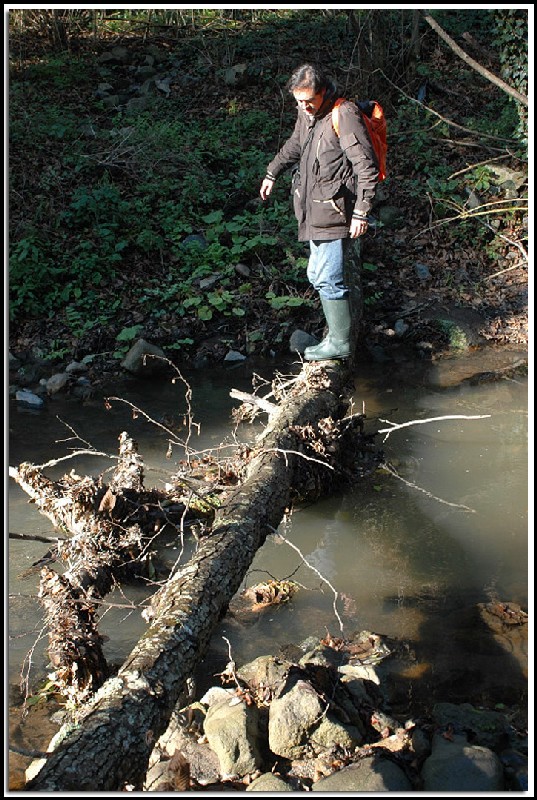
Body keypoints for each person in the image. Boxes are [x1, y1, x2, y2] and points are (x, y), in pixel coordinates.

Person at [260, 63, 379, 361]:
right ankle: (337, 335)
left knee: (327, 277)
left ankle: (339, 343)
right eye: (298, 101)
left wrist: (362, 211)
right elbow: (296, 145)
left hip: (335, 209)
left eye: (309, 101)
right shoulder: (307, 114)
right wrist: (272, 172)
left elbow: (366, 167)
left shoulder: (345, 115)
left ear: (323, 92)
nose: (304, 107)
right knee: (316, 273)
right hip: (312, 209)